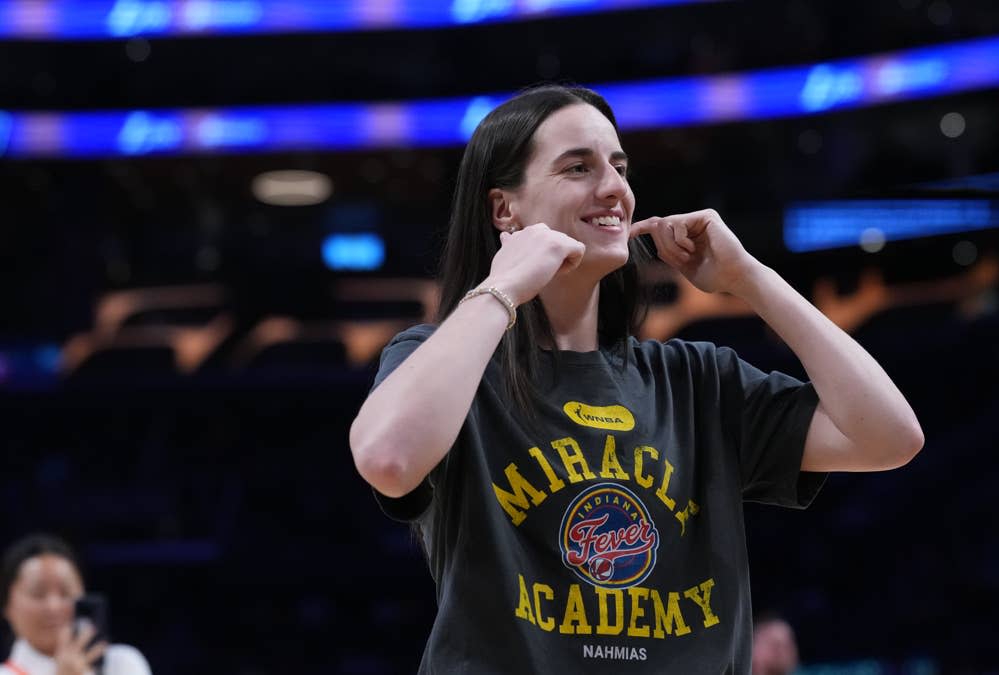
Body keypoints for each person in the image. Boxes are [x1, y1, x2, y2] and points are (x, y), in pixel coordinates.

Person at [349, 84, 924, 673]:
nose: (614, 189)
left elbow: (891, 436)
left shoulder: (695, 379)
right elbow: (388, 458)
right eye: (578, 167)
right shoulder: (444, 363)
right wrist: (503, 288)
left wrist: (750, 278)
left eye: (619, 168)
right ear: (504, 210)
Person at [1, 535, 151, 675]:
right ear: (7, 605)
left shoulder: (121, 664)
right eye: (38, 594)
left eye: (66, 592)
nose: (53, 607)